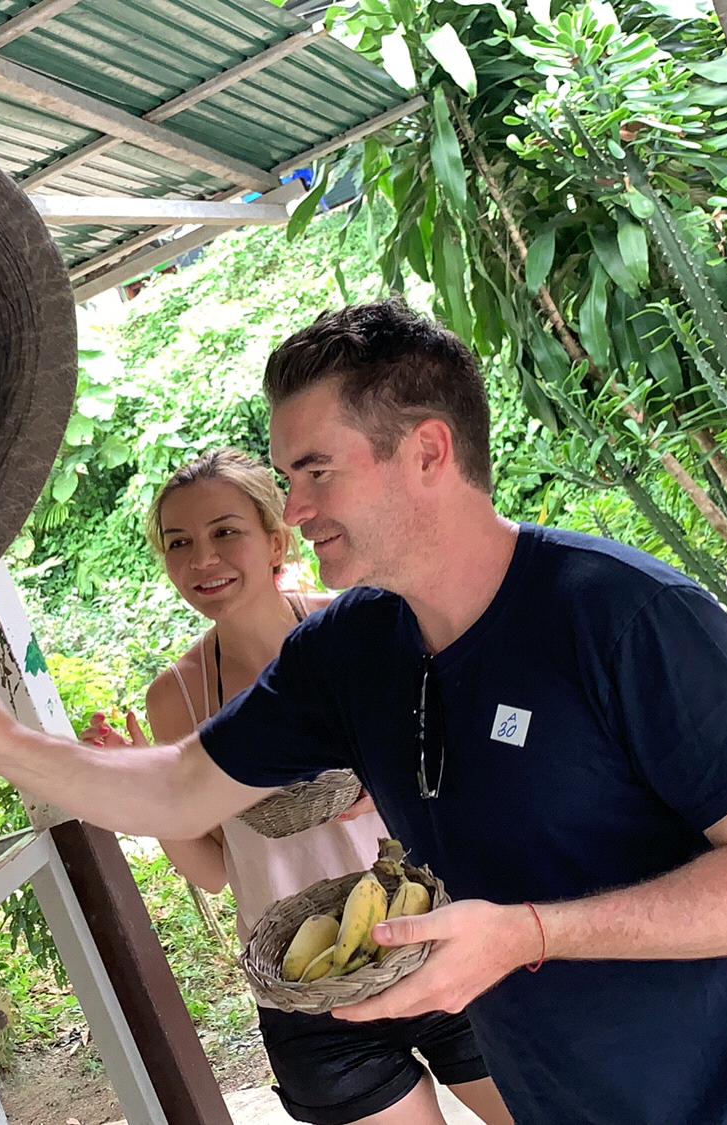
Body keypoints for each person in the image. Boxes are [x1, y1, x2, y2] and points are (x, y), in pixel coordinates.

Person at [0, 300, 727, 1124]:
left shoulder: (625, 617)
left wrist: (526, 933)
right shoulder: (349, 651)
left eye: (314, 471)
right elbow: (178, 789)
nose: (292, 510)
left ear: (426, 451)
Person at [78, 448, 512, 1125]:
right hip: (313, 997)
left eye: (226, 531)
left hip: (439, 938)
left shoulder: (369, 624)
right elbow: (216, 870)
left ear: (276, 539)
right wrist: (150, 792)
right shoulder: (178, 697)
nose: (202, 559)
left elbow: (470, 765)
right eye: (179, 542)